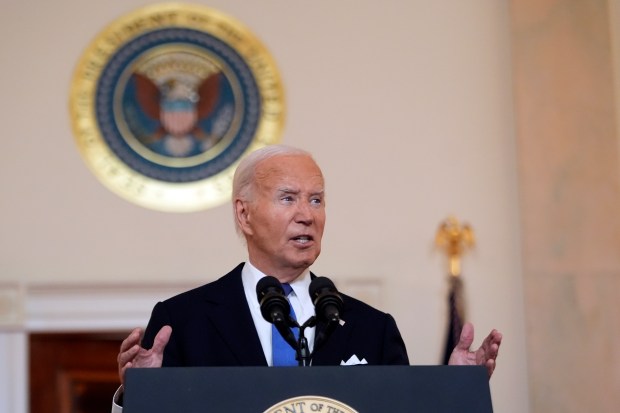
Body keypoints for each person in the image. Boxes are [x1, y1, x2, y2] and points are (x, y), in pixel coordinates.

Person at [112, 145, 502, 412]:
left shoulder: (372, 328)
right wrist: (140, 395)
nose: (307, 215)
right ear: (244, 214)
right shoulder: (182, 322)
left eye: (316, 200)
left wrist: (456, 391)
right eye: (288, 198)